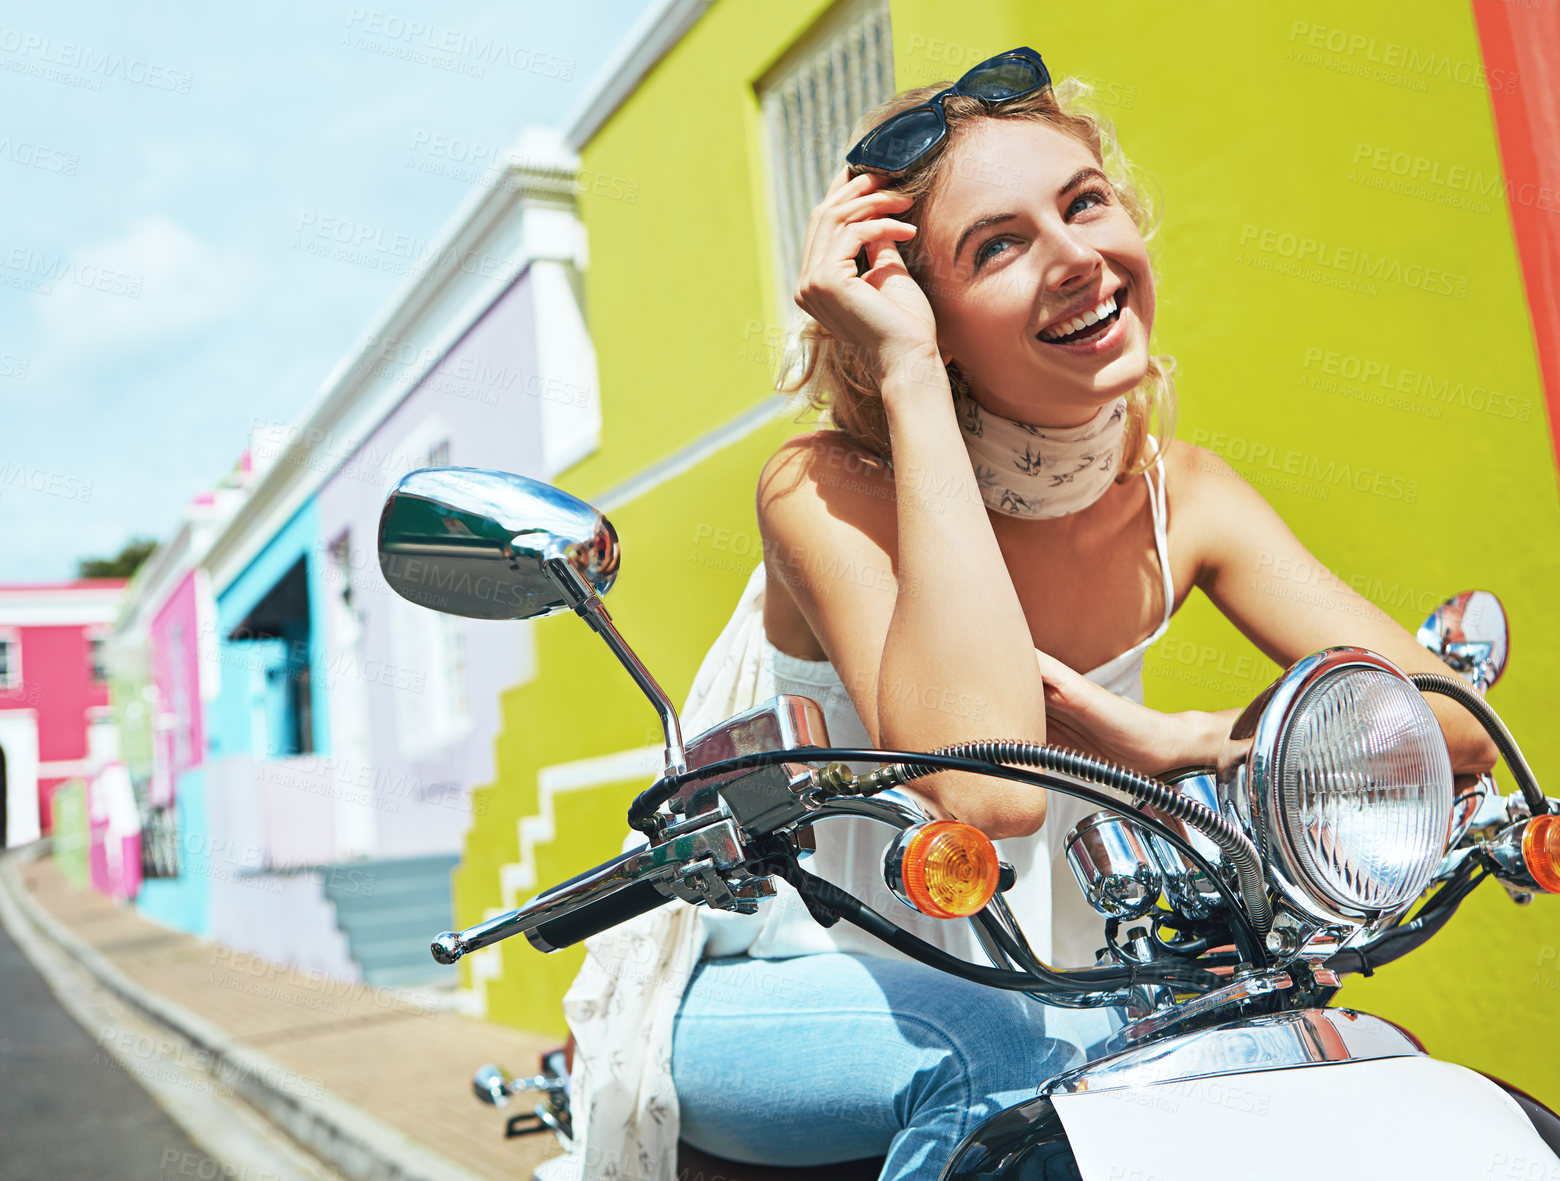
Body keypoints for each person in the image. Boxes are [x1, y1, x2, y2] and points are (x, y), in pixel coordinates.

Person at [549, 46, 1498, 1181]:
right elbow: (987, 790)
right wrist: (903, 374)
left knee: (1341, 1062)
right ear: (919, 307)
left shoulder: (1177, 495)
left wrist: (1188, 740)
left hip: (1073, 983)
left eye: (1083, 204)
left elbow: (1446, 730)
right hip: (789, 977)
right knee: (989, 1052)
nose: (1074, 259)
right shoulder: (827, 491)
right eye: (996, 245)